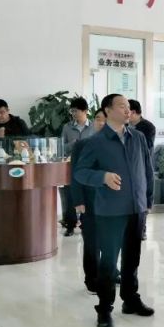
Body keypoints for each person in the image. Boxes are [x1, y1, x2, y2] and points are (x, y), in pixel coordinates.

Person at [74, 94, 155, 327]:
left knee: (132, 258)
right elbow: (80, 172)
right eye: (122, 106)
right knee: (109, 262)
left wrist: (148, 199)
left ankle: (130, 299)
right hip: (110, 211)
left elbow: (147, 169)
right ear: (108, 110)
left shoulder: (138, 137)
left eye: (129, 107)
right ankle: (104, 308)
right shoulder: (96, 142)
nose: (127, 110)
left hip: (136, 208)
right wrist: (103, 177)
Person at [70, 108, 107, 293]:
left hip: (112, 202)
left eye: (105, 119)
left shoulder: (119, 145)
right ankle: (92, 279)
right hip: (90, 201)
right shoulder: (82, 145)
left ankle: (110, 273)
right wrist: (78, 200)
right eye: (98, 119)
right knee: (92, 242)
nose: (101, 123)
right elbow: (75, 174)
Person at [60, 96, 95, 236]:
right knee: (70, 195)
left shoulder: (94, 126)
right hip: (71, 165)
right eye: (72, 111)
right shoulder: (67, 127)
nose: (73, 114)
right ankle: (70, 225)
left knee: (88, 195)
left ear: (85, 111)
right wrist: (72, 144)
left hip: (89, 167)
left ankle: (86, 224)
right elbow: (61, 148)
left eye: (76, 111)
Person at [128, 99, 156, 241]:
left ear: (133, 112)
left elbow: (148, 146)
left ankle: (142, 229)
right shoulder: (125, 125)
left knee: (141, 199)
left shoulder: (147, 127)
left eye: (127, 110)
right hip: (128, 168)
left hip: (143, 167)